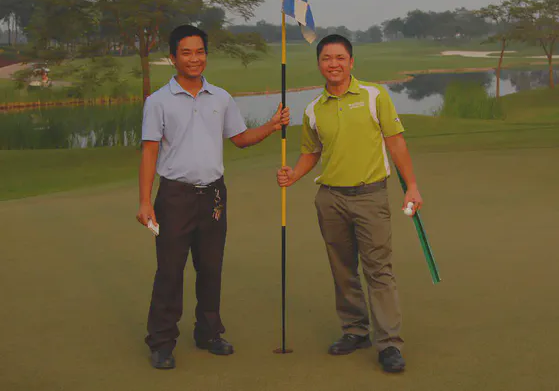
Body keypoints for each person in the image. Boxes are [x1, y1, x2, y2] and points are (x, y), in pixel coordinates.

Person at [137, 24, 290, 370]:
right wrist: (145, 201)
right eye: (186, 52)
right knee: (170, 271)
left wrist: (272, 125)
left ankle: (208, 332)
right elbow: (149, 152)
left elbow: (239, 138)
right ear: (173, 57)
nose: (195, 58)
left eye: (200, 51)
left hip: (214, 196)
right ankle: (161, 341)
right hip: (174, 196)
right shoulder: (158, 102)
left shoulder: (220, 97)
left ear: (207, 54)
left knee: (211, 268)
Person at [277, 34, 422, 373]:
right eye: (327, 58)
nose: (334, 64)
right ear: (319, 64)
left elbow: (396, 143)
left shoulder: (375, 95)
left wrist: (411, 186)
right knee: (343, 269)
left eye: (340, 57)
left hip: (370, 195)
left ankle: (389, 344)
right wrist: (293, 175)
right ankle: (355, 331)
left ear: (351, 62)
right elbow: (311, 153)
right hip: (331, 199)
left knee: (379, 271)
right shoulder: (314, 109)